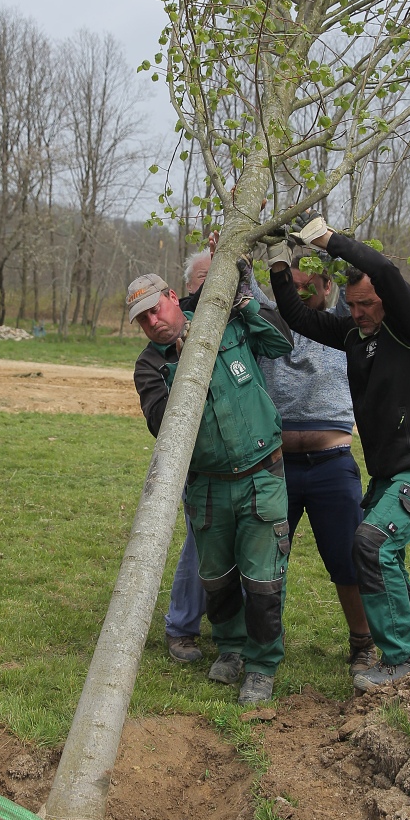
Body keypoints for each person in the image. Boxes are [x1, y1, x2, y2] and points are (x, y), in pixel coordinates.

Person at [267, 213, 410, 691]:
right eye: (352, 306)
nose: (359, 313)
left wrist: (327, 240)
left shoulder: (408, 331)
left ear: (385, 303)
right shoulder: (354, 336)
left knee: (370, 546)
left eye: (368, 304)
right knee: (381, 555)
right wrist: (277, 263)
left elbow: (388, 274)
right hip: (389, 476)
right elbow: (298, 316)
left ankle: (400, 659)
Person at [130, 267, 293, 705]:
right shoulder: (151, 364)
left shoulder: (221, 319)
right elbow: (163, 425)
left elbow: (282, 342)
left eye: (155, 309)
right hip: (207, 484)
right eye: (142, 320)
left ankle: (261, 666)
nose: (153, 321)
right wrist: (184, 366)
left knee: (262, 580)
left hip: (261, 471)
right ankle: (231, 647)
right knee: (217, 577)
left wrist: (244, 300)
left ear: (171, 296)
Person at [251, 253, 374, 676]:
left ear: (327, 286)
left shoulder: (342, 326)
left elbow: (348, 272)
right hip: (277, 466)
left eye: (310, 285)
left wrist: (319, 238)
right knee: (266, 559)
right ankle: (263, 644)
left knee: (348, 557)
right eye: (294, 284)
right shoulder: (269, 319)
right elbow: (244, 282)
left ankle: (363, 643)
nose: (300, 292)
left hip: (331, 466)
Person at [162, 248, 213, 663]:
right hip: (202, 466)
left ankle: (245, 632)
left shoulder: (241, 328)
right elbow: (162, 421)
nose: (211, 290)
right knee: (200, 544)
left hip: (251, 462)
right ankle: (182, 626)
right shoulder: (158, 354)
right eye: (202, 282)